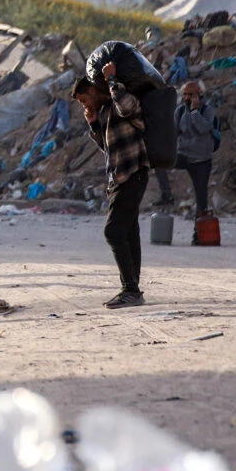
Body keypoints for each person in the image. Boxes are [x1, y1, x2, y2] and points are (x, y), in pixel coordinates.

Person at [75, 62, 148, 308]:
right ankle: (133, 288)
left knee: (113, 231)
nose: (84, 106)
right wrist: (94, 124)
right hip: (119, 178)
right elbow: (108, 148)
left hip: (133, 173)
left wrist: (111, 80)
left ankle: (130, 289)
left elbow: (129, 107)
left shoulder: (120, 102)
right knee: (128, 231)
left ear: (94, 91)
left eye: (84, 100)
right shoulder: (106, 112)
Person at [173, 81, 219, 235]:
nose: (187, 97)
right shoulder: (179, 111)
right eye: (185, 94)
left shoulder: (207, 110)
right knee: (159, 163)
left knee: (201, 198)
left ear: (199, 95)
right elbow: (175, 131)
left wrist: (194, 112)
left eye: (190, 94)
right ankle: (165, 195)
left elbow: (203, 129)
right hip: (184, 155)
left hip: (201, 159)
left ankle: (199, 233)